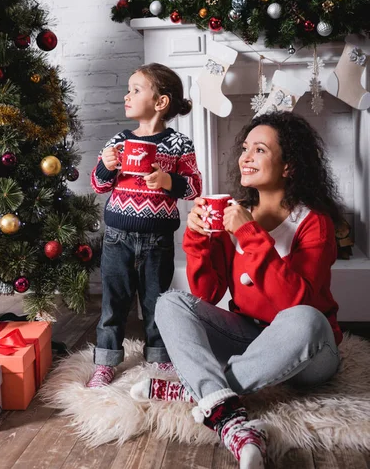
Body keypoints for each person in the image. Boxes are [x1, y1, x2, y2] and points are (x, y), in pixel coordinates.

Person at [130, 111, 344, 469]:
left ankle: (195, 390)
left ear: (288, 166)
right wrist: (197, 239)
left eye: (260, 150)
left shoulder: (313, 222)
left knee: (306, 318)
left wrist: (249, 234)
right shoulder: (235, 214)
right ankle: (226, 413)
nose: (245, 157)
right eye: (245, 148)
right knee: (170, 303)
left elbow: (297, 302)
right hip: (249, 335)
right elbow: (207, 292)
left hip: (310, 349)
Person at [87, 62, 202, 388]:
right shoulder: (118, 142)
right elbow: (98, 184)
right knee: (113, 303)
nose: (127, 95)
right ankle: (106, 361)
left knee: (157, 303)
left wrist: (167, 180)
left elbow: (194, 187)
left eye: (135, 90)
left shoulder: (180, 144)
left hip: (157, 241)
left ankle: (159, 357)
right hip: (117, 238)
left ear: (160, 101)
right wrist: (107, 166)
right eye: (128, 89)